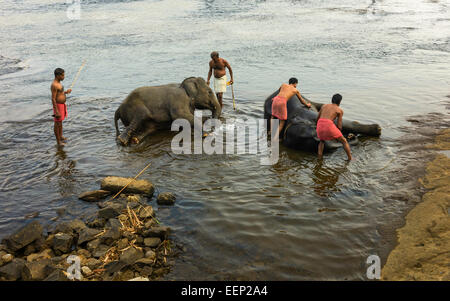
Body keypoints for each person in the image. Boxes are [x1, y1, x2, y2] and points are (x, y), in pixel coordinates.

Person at [316, 94, 352, 160]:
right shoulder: (339, 110)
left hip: (320, 123)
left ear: (332, 100)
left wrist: (317, 126)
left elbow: (318, 118)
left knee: (321, 141)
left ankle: (319, 158)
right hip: (328, 124)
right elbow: (339, 125)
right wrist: (339, 133)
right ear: (340, 101)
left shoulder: (324, 106)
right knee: (344, 141)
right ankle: (350, 158)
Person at [51, 68, 71, 146]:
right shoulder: (54, 85)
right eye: (62, 75)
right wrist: (56, 111)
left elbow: (60, 93)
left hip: (62, 105)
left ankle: (61, 136)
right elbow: (53, 98)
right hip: (58, 106)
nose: (64, 76)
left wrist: (66, 92)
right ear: (58, 75)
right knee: (57, 123)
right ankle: (58, 141)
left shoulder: (59, 83)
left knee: (60, 122)